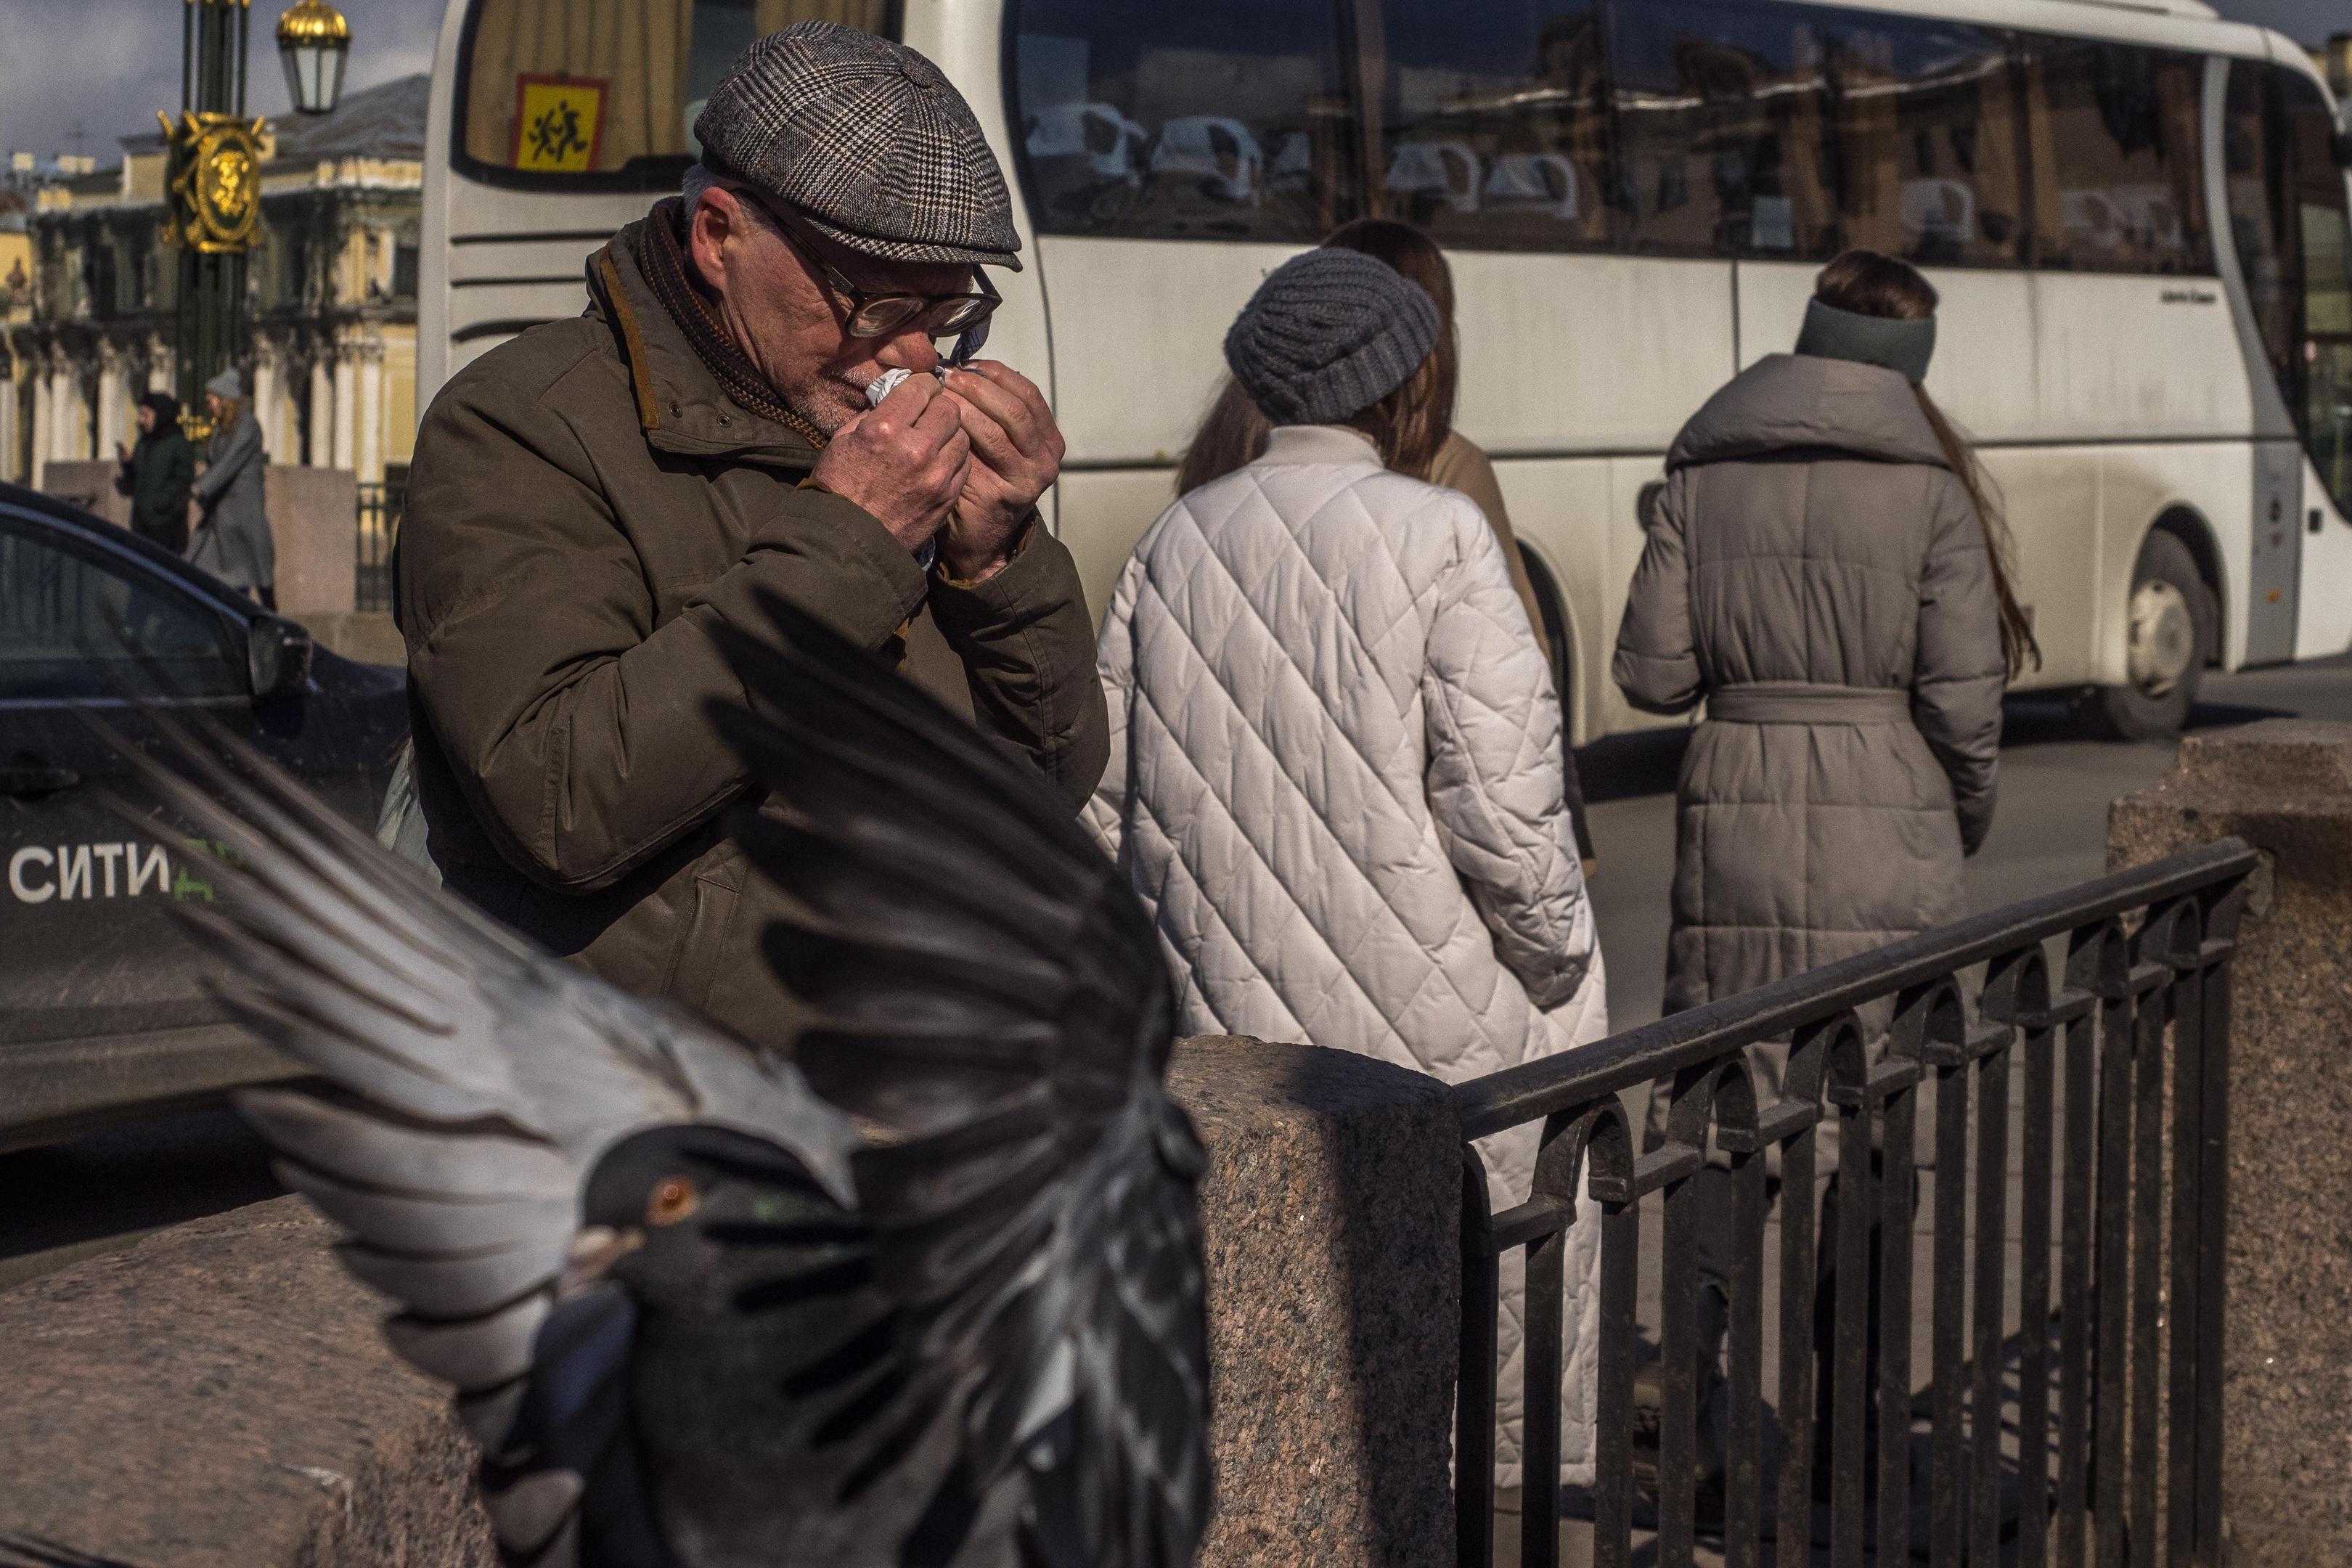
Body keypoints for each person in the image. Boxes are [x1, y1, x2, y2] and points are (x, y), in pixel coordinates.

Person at [395, 22, 1105, 1049]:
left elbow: (1046, 788)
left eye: (950, 310)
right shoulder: (521, 423)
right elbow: (556, 802)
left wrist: (996, 564)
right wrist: (848, 545)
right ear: (720, 236)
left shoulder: (877, 437)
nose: (913, 356)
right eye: (876, 304)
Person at [1087, 247, 1607, 1493]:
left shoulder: (1173, 539)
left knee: (1280, 1385)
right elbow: (1509, 814)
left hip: (1231, 1031)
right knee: (1456, 1359)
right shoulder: (1441, 535)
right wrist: (1557, 963)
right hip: (1435, 1028)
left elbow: (1107, 807)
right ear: (1403, 382)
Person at [1612, 248, 2035, 1498]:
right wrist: (1954, 818)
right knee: (1876, 1111)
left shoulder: (1703, 465)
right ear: (1909, 364)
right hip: (1887, 816)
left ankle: (1688, 1383)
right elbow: (1965, 704)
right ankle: (1851, 1428)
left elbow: (1651, 674)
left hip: (1732, 811)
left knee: (1725, 1105)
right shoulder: (1932, 488)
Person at [1176, 218, 1596, 872]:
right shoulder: (1444, 466)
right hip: (1389, 835)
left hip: (1229, 826)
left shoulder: (1218, 451)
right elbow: (1513, 684)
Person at [187, 369, 275, 610]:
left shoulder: (248, 425)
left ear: (225, 399)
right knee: (207, 571)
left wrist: (201, 487)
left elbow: (230, 461)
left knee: (256, 578)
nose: (208, 405)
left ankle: (272, 621)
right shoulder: (221, 428)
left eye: (212, 400)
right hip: (221, 514)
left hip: (244, 514)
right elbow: (215, 464)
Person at [115, 391, 194, 554]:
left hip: (167, 525)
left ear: (160, 414)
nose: (141, 420)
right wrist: (128, 464)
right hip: (141, 523)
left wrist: (162, 503)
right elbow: (137, 477)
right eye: (140, 415)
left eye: (146, 415)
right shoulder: (143, 443)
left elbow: (183, 480)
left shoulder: (177, 443)